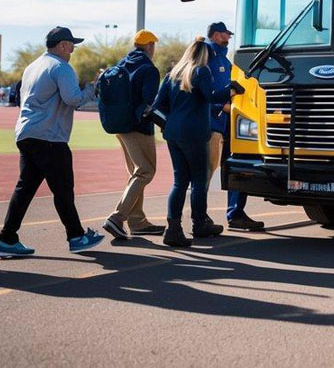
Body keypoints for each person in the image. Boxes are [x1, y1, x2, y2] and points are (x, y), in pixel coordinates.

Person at [0, 28, 105, 257]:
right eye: (71, 45)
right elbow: (73, 99)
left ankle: (7, 237)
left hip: (26, 133)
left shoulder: (32, 67)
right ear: (61, 45)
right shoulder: (61, 67)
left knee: (25, 189)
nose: (73, 49)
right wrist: (92, 88)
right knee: (63, 188)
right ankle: (77, 236)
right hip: (49, 137)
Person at [153, 38, 243, 247]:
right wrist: (232, 88)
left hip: (173, 133)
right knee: (199, 181)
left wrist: (174, 120)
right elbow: (211, 96)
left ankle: (173, 229)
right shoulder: (201, 71)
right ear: (204, 55)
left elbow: (158, 105)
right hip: (194, 133)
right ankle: (199, 223)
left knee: (179, 182)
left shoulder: (172, 75)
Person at [101, 30, 165, 240]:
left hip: (118, 126)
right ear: (149, 46)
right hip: (138, 128)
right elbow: (149, 103)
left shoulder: (121, 64)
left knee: (136, 173)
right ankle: (118, 217)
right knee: (146, 171)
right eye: (153, 45)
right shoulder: (148, 69)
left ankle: (137, 222)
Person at [204, 22, 264, 232]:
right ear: (217, 34)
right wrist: (223, 106)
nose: (229, 38)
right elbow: (202, 91)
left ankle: (235, 213)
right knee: (205, 174)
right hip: (211, 123)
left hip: (226, 123)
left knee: (235, 165)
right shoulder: (205, 56)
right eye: (226, 35)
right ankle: (200, 218)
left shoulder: (224, 58)